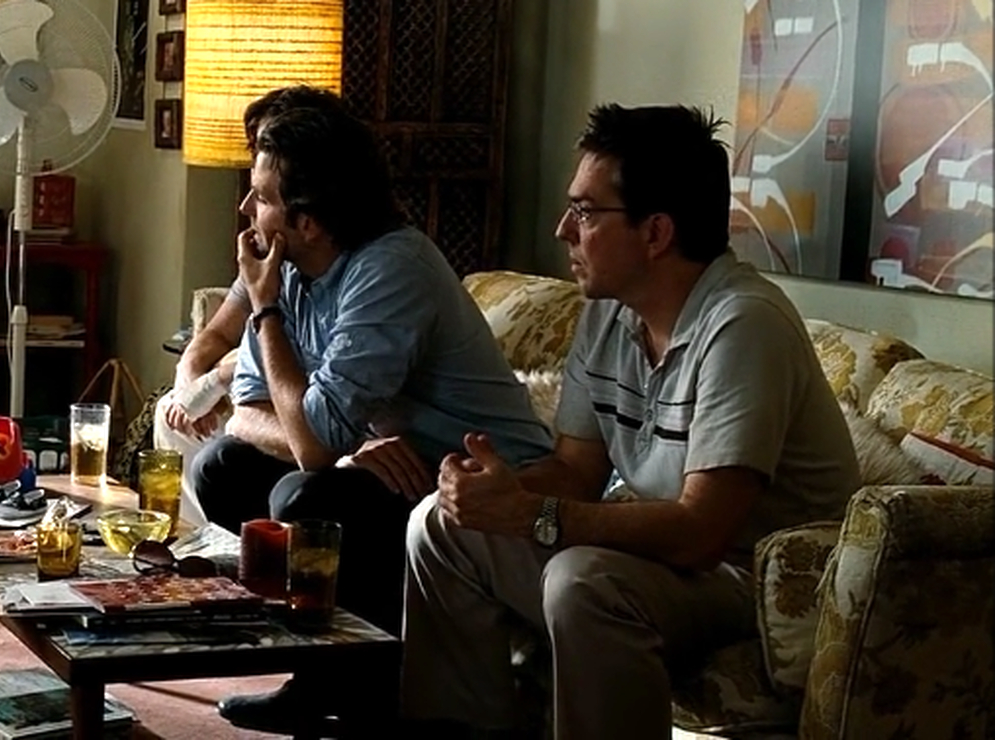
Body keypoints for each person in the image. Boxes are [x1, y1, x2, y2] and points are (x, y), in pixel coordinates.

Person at [401, 104, 860, 738]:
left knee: (582, 581)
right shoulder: (610, 313)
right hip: (666, 560)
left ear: (655, 233)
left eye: (586, 212)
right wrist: (491, 494)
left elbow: (702, 533)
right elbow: (576, 470)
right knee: (440, 524)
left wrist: (532, 514)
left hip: (759, 580)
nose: (563, 229)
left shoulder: (743, 325)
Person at [187, 89, 554, 735]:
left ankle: (367, 694)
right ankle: (322, 676)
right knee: (221, 468)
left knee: (308, 499)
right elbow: (243, 411)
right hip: (390, 464)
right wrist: (344, 451)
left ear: (308, 222)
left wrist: (267, 313)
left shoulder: (390, 269)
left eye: (262, 197)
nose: (246, 209)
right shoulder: (286, 265)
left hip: (482, 483)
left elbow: (312, 447)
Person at [154, 85, 355, 527]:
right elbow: (215, 335)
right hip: (273, 404)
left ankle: (218, 541)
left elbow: (320, 422)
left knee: (230, 455)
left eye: (261, 195)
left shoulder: (354, 270)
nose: (245, 205)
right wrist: (191, 391)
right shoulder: (274, 259)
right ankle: (197, 542)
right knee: (172, 413)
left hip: (310, 418)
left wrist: (219, 380)